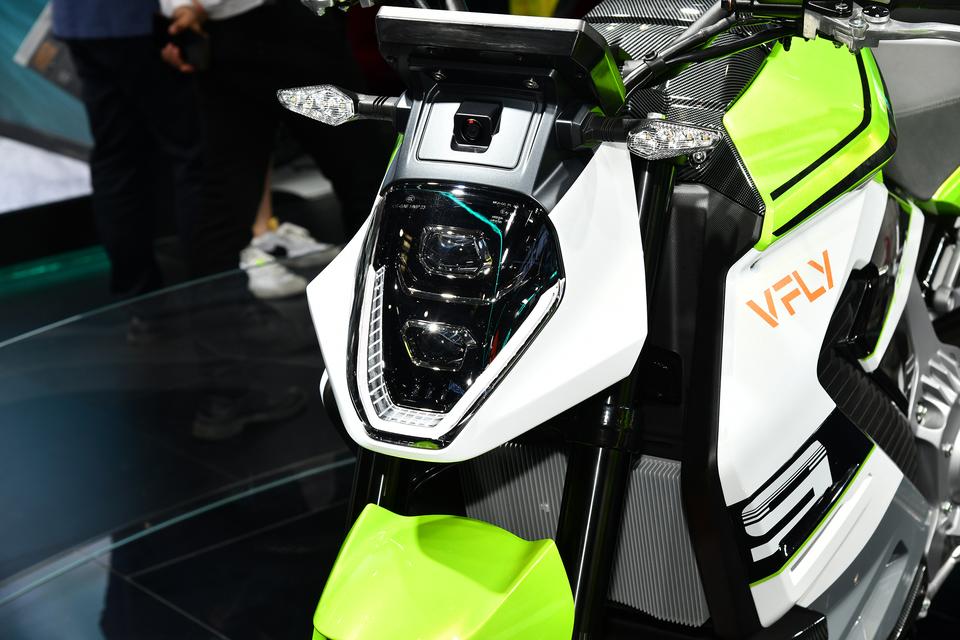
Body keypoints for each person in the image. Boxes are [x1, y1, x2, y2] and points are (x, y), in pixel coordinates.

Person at [159, 0, 390, 298]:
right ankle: (376, 297)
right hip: (271, 23)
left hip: (220, 27)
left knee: (225, 194)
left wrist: (182, 10)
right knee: (363, 174)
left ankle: (221, 316)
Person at [51, 0, 204, 303]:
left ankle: (139, 298)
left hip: (80, 21)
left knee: (117, 158)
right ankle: (216, 285)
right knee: (193, 156)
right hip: (143, 20)